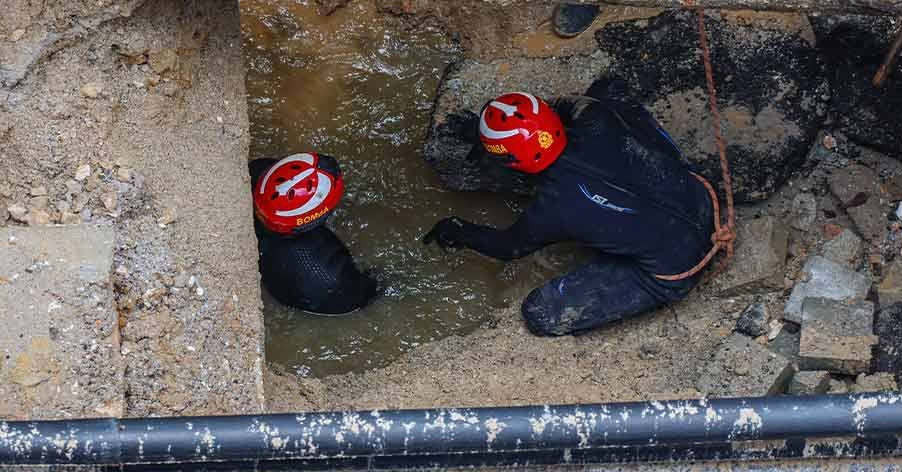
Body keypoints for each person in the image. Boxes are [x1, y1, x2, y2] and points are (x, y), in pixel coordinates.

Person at [423, 80, 716, 336]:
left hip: (675, 270)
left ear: (512, 163)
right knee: (611, 94)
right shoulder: (595, 117)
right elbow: (566, 106)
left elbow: (508, 247)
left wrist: (458, 230)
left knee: (539, 313)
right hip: (701, 198)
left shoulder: (552, 208)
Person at [250, 152, 377, 315]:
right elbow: (366, 296)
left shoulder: (257, 172)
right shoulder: (330, 279)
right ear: (315, 220)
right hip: (320, 296)